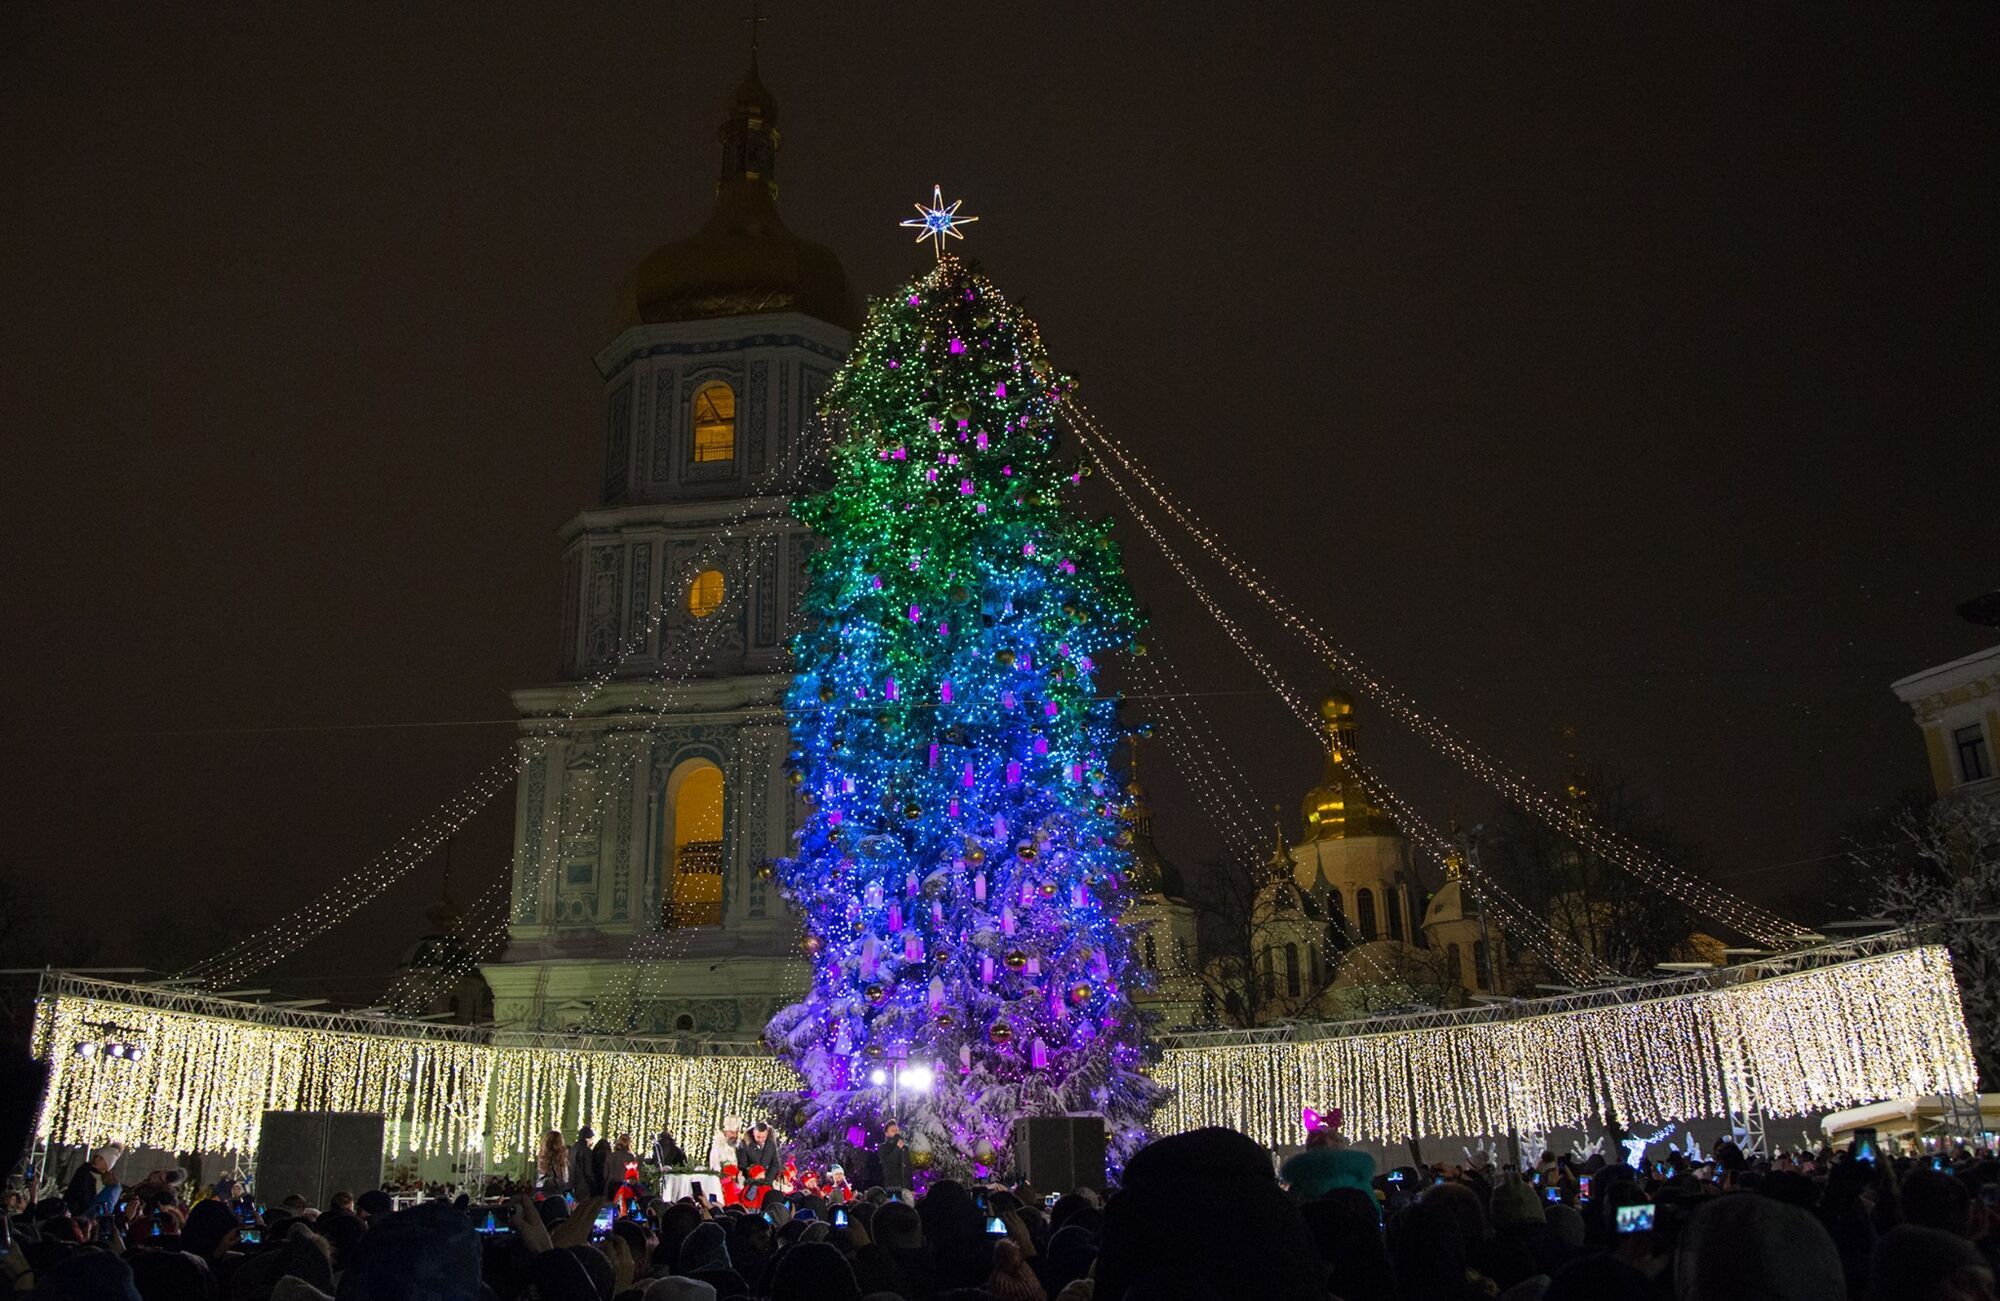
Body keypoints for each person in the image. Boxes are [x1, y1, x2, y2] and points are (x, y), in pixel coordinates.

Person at [879, 1119, 911, 1192]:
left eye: (897, 1130)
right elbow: (888, 1162)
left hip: (905, 1187)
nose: (896, 1133)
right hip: (891, 1187)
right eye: (893, 1131)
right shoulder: (883, 1147)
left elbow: (908, 1168)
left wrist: (911, 1187)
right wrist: (897, 1148)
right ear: (886, 1133)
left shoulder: (905, 1148)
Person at [538, 1129, 571, 1194]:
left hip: (542, 1190)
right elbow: (564, 1178)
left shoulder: (543, 1156)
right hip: (558, 1191)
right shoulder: (561, 1156)